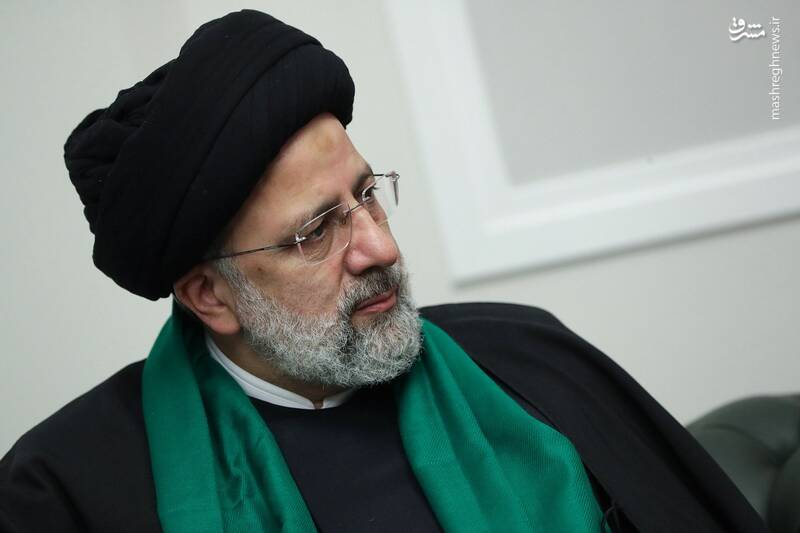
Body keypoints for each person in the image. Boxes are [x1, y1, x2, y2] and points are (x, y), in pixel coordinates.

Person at [0, 10, 767, 533]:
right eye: (316, 232)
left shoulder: (533, 364)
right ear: (210, 295)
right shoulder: (66, 493)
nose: (379, 247)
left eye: (367, 195)